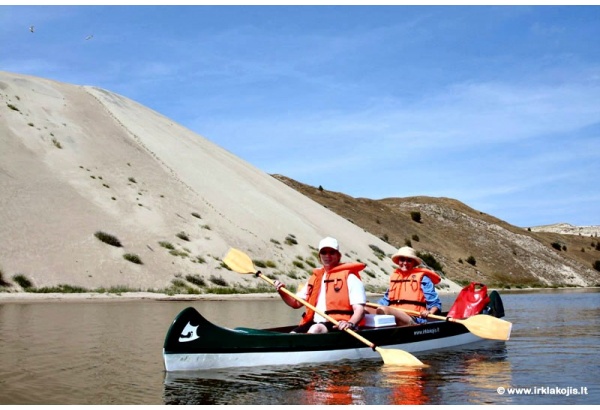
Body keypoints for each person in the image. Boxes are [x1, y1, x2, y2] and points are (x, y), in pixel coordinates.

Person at [274, 237, 367, 334]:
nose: (327, 256)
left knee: (316, 329)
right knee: (293, 334)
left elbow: (359, 310)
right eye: (324, 252)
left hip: (338, 324)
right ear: (319, 256)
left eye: (332, 252)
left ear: (339, 256)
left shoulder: (350, 277)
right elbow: (295, 303)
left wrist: (350, 323)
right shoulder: (315, 278)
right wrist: (281, 291)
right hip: (315, 322)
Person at [366, 246, 442, 326]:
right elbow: (385, 301)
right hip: (392, 314)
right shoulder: (395, 277)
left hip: (414, 317)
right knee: (364, 309)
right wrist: (369, 305)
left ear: (414, 263)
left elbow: (435, 303)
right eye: (402, 259)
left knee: (383, 309)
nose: (405, 263)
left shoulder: (423, 278)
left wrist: (430, 312)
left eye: (409, 260)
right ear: (398, 261)